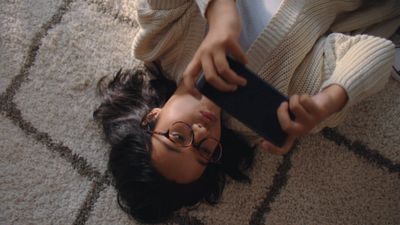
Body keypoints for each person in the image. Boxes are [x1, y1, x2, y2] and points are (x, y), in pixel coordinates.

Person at [94, 0, 398, 223]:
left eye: (178, 136)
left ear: (152, 117)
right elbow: (377, 53)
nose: (201, 132)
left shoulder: (163, 46)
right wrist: (327, 103)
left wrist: (221, 15)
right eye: (203, 151)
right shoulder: (271, 113)